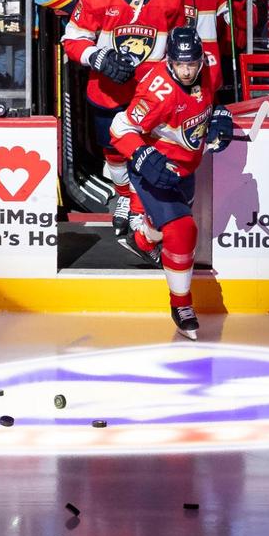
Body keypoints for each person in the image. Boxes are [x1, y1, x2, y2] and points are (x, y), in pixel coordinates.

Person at [109, 27, 233, 341]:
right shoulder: (157, 92)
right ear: (170, 62)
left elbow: (207, 103)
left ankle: (143, 238)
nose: (188, 71)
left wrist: (219, 116)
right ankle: (182, 306)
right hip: (157, 169)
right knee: (182, 230)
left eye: (193, 64)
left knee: (165, 229)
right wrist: (142, 155)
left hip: (186, 168)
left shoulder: (207, 72)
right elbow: (120, 127)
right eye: (181, 65)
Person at [61, 0, 184, 236]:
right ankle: (125, 198)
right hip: (106, 91)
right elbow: (71, 40)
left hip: (151, 93)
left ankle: (141, 204)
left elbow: (180, 43)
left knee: (149, 152)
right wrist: (98, 57)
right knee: (113, 153)